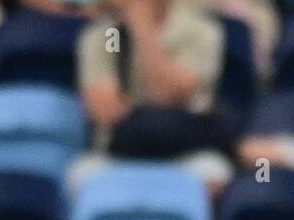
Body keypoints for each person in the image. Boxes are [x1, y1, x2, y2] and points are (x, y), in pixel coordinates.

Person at [71, 0, 232, 196]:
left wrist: (141, 25)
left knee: (213, 174)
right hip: (119, 153)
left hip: (184, 149)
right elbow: (105, 113)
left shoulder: (198, 32)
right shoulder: (106, 36)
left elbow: (166, 95)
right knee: (80, 176)